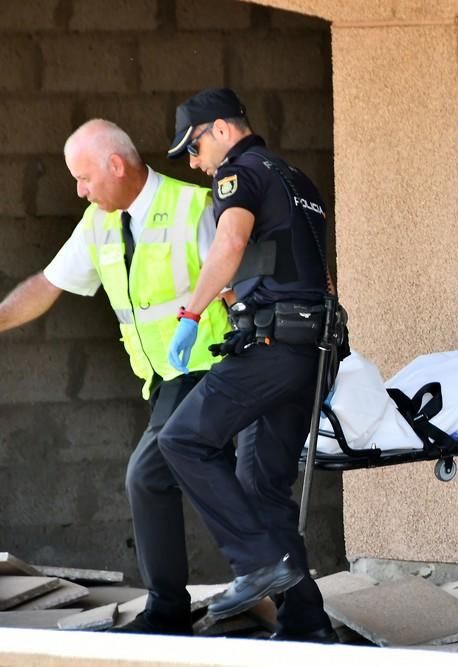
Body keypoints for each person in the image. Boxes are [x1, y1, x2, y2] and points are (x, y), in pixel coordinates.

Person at [0, 119, 230, 635]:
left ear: (116, 165)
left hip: (208, 368)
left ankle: (169, 613)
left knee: (147, 474)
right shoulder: (99, 223)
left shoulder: (193, 206)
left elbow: (237, 276)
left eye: (84, 178)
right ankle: (279, 593)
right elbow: (48, 284)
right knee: (226, 482)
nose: (80, 190)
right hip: (163, 382)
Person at [156, 88, 335, 643]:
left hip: (276, 348)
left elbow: (230, 243)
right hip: (313, 353)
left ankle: (254, 564)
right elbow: (287, 263)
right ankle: (307, 623)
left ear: (221, 130)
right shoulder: (296, 179)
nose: (193, 161)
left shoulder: (237, 174)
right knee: (261, 487)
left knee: (182, 439)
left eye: (193, 145)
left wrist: (191, 313)